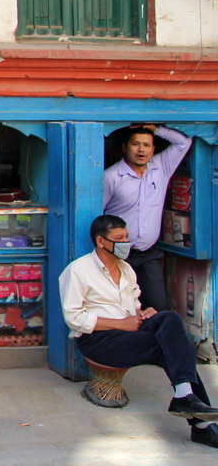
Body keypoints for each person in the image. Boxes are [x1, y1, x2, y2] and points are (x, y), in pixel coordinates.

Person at [60, 214, 218, 449]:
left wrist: (142, 312)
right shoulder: (78, 271)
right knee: (169, 346)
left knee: (169, 318)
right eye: (119, 238)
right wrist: (120, 324)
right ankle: (201, 425)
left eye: (127, 237)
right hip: (99, 338)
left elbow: (132, 304)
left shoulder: (126, 269)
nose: (125, 243)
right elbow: (73, 318)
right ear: (101, 241)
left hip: (131, 329)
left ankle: (185, 396)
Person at [102, 124, 192, 312]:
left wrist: (156, 129)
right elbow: (98, 215)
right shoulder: (111, 177)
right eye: (135, 144)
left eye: (146, 145)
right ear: (125, 147)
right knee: (120, 308)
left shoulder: (161, 168)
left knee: (158, 307)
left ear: (153, 149)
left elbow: (183, 143)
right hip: (118, 255)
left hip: (148, 253)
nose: (141, 149)